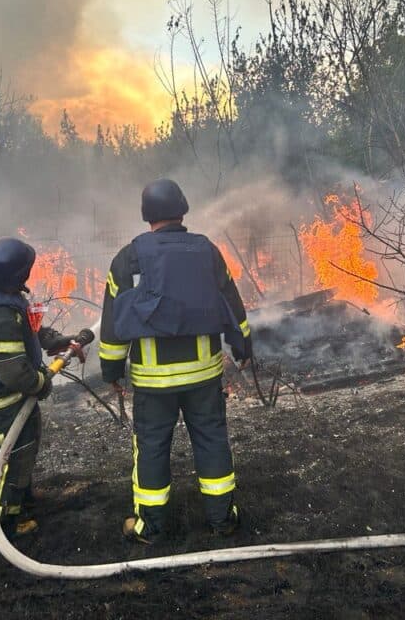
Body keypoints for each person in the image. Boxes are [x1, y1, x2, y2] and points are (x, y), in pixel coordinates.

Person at [98, 179, 252, 544]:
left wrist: (112, 369)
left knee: (151, 447)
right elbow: (231, 301)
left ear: (145, 215)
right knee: (212, 439)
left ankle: (150, 527)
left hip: (153, 382)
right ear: (183, 208)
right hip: (203, 375)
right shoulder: (206, 251)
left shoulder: (128, 258)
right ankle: (221, 520)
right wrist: (241, 345)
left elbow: (113, 322)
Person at [0, 237, 88, 544]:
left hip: (5, 396)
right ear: (18, 274)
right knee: (10, 458)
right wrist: (42, 383)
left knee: (21, 451)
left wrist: (57, 341)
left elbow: (27, 327)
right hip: (0, 402)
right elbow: (14, 373)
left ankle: (21, 500)